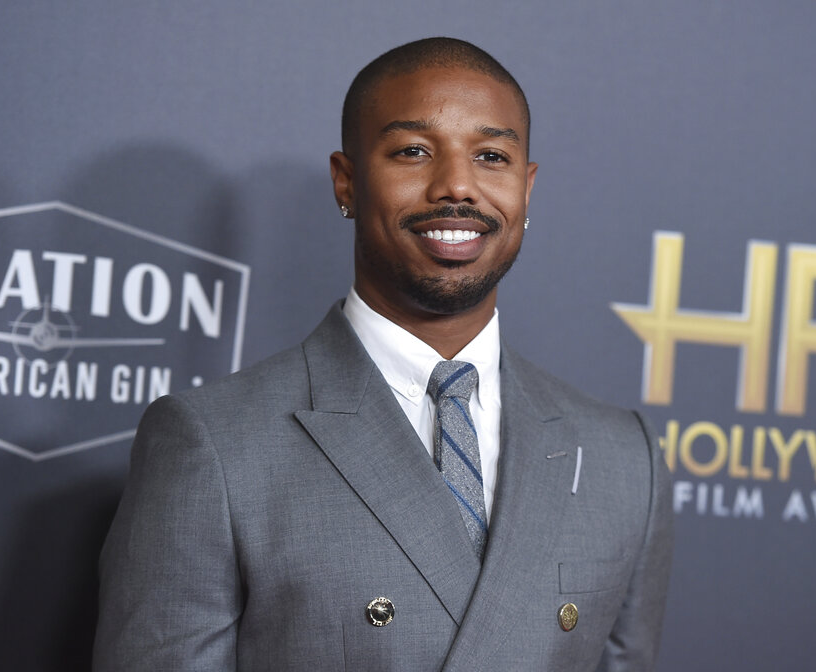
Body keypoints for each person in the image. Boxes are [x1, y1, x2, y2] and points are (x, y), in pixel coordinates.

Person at [93, 37, 673, 671]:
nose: (457, 184)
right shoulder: (216, 446)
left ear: (526, 189)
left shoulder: (623, 460)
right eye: (414, 151)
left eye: (491, 156)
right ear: (347, 182)